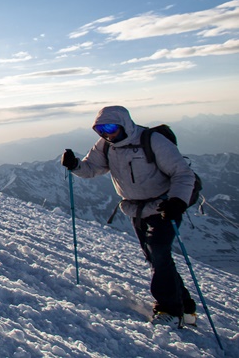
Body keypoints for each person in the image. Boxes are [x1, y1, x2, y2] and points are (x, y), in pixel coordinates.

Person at [61, 105, 197, 327]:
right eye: (100, 129)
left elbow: (182, 173)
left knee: (159, 251)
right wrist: (75, 165)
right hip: (136, 210)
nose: (106, 133)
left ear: (124, 123)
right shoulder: (106, 146)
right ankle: (186, 307)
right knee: (156, 257)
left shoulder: (152, 141)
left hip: (164, 207)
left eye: (111, 127)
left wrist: (177, 201)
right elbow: (91, 168)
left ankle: (169, 309)